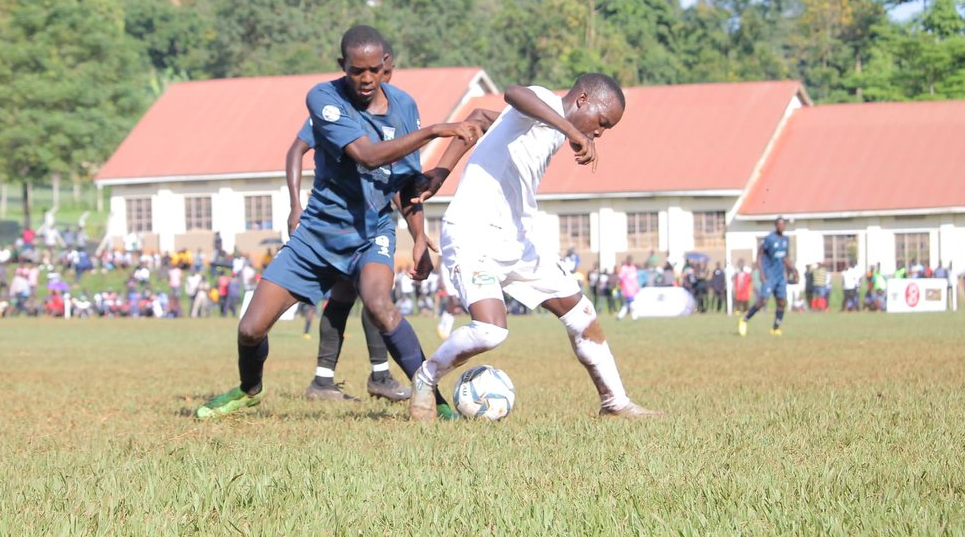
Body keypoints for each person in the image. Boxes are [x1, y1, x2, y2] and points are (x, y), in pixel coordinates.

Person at [196, 25, 482, 419]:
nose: (364, 79)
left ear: (386, 67)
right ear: (342, 66)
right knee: (249, 329)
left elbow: (405, 182)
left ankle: (433, 398)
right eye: (355, 71)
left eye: (372, 70)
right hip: (318, 233)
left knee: (381, 305)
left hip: (372, 232)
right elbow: (366, 155)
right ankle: (250, 388)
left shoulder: (405, 107)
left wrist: (418, 235)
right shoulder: (324, 99)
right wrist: (434, 130)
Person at [407, 75, 662, 421]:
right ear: (583, 98)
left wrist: (441, 171)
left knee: (582, 315)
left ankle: (614, 404)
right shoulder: (544, 102)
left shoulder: (549, 127)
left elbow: (482, 119)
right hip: (473, 232)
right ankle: (425, 378)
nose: (600, 133)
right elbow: (515, 94)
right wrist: (573, 132)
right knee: (490, 330)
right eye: (601, 122)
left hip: (519, 241)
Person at [284, 40, 411, 403]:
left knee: (352, 297)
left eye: (382, 72)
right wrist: (296, 205)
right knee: (364, 296)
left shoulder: (397, 111)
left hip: (371, 220)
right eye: (363, 71)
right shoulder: (336, 110)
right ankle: (375, 376)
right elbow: (297, 147)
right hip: (341, 222)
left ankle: (328, 380)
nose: (374, 80)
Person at [738, 217, 792, 336]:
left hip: (780, 277)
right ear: (775, 225)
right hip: (769, 275)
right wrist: (761, 273)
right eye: (780, 224)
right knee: (763, 301)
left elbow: (786, 257)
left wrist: (793, 270)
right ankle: (744, 319)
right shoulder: (769, 239)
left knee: (782, 302)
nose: (782, 226)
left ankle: (775, 328)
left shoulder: (786, 240)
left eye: (784, 224)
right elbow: (759, 255)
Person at [616, 256, 639, 321]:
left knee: (627, 304)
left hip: (633, 289)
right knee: (632, 304)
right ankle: (635, 317)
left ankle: (619, 316)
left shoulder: (633, 268)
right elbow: (620, 277)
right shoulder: (624, 268)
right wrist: (620, 285)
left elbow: (635, 278)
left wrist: (637, 286)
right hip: (627, 289)